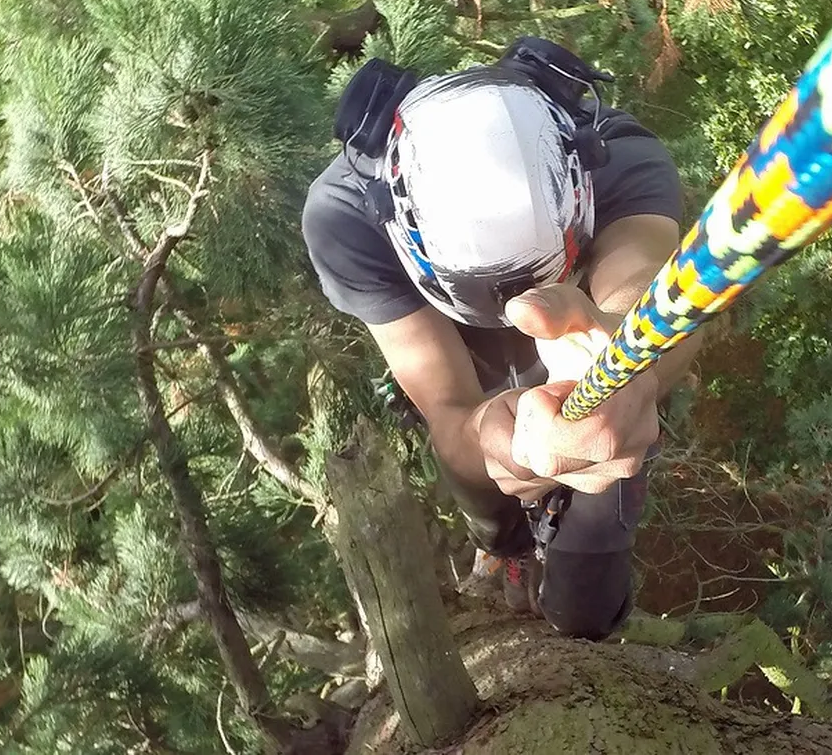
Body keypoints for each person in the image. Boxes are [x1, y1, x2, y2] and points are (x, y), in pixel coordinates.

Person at [300, 36, 701, 641]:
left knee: (585, 607)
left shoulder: (614, 153)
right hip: (473, 370)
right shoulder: (347, 216)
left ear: (578, 193)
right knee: (485, 494)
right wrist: (496, 443)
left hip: (593, 369)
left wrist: (623, 363)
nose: (513, 310)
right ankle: (507, 544)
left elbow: (649, 285)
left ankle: (581, 613)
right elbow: (449, 406)